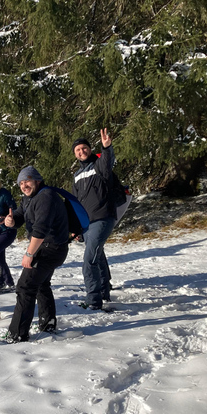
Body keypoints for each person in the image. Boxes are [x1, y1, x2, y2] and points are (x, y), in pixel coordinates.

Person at [3, 166, 69, 342]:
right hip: (50, 247)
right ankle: (48, 323)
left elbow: (41, 229)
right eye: (21, 183)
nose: (24, 186)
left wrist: (29, 254)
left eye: (28, 181)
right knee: (41, 284)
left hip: (50, 248)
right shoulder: (29, 197)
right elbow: (20, 214)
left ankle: (17, 334)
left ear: (37, 181)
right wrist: (12, 220)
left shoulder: (45, 197)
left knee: (25, 286)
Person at [72, 128, 119, 310]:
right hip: (86, 222)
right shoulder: (76, 176)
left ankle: (93, 300)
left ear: (90, 150)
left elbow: (107, 163)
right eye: (78, 150)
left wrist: (107, 148)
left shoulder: (99, 165)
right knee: (97, 256)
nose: (81, 151)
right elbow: (76, 203)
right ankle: (104, 291)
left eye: (84, 148)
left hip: (103, 217)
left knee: (89, 259)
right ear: (75, 154)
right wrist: (77, 227)